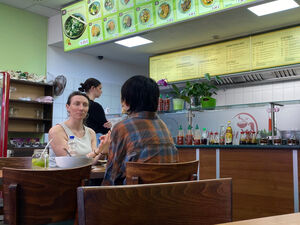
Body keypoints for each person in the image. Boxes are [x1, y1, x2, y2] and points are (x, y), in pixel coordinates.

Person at [100, 75, 178, 185]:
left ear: (126, 102)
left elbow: (112, 175)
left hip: (135, 198)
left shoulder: (122, 127)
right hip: (167, 197)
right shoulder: (163, 126)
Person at [48, 91, 110, 159]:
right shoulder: (56, 131)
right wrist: (97, 152)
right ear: (67, 107)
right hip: (63, 170)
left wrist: (104, 151)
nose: (81, 108)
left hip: (85, 170)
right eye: (77, 104)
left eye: (85, 105)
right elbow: (69, 161)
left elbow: (93, 160)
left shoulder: (91, 132)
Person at [78, 78, 111, 144]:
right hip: (94, 139)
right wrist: (109, 126)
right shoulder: (96, 106)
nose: (101, 91)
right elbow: (105, 128)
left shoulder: (79, 105)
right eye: (100, 88)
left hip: (80, 138)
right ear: (93, 88)